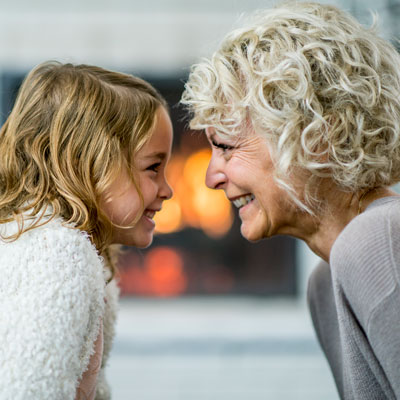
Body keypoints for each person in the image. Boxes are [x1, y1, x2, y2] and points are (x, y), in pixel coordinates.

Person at [182, 2, 400, 399]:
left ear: (317, 136)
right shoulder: (325, 282)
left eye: (227, 147)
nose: (211, 177)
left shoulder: (378, 239)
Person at [0, 61, 173, 399]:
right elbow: (27, 390)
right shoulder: (57, 257)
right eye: (153, 168)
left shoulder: (41, 242)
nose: (167, 189)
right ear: (90, 166)